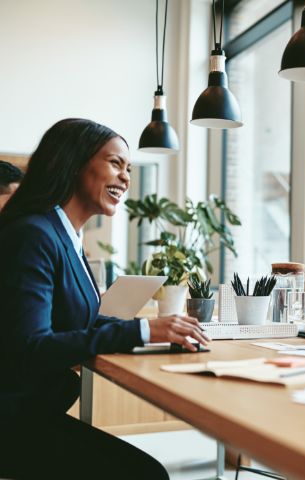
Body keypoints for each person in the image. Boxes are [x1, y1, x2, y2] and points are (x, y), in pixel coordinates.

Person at [0, 118, 210, 479]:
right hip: (15, 421)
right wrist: (141, 333)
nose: (126, 178)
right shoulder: (35, 234)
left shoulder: (63, 235)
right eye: (115, 163)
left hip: (34, 412)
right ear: (74, 163)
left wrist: (152, 333)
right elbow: (30, 347)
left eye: (128, 168)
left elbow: (77, 318)